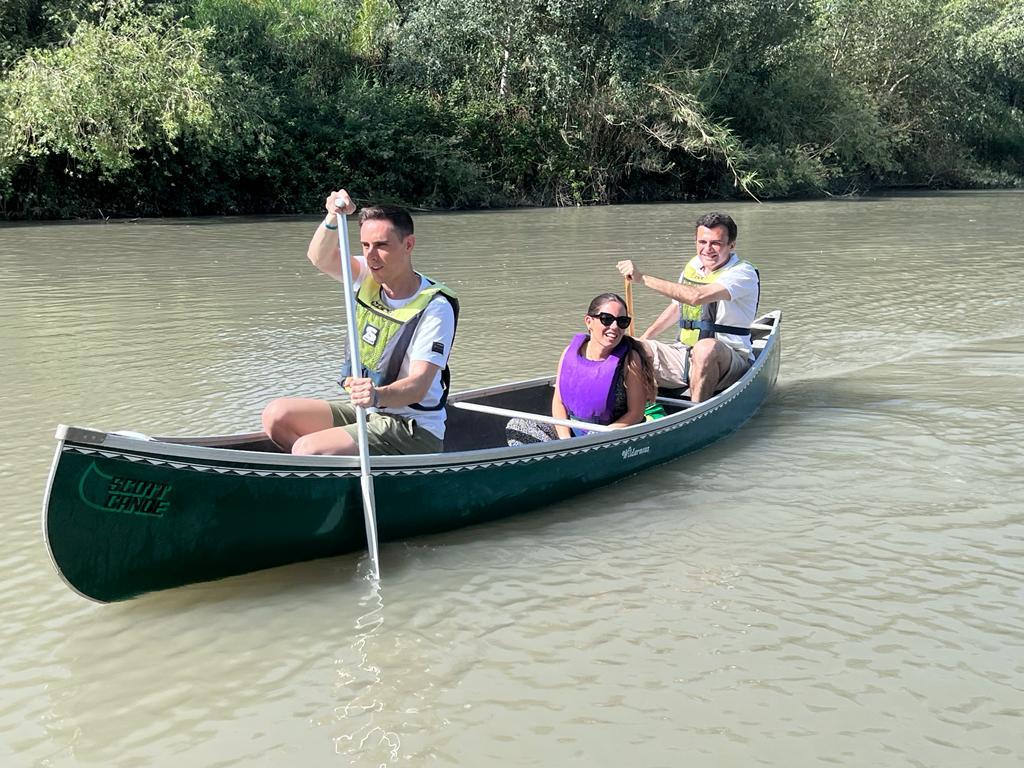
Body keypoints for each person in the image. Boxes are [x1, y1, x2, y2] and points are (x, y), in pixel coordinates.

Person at [262, 189, 458, 455]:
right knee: (277, 415)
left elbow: (418, 387)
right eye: (365, 246)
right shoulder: (367, 275)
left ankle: (324, 472)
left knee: (308, 449)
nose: (371, 255)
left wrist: (376, 396)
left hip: (411, 429)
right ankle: (335, 475)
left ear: (408, 245)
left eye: (381, 245)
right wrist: (333, 216)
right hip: (369, 413)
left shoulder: (435, 306)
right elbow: (319, 257)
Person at [616, 212, 759, 402]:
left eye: (716, 243)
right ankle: (635, 409)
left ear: (731, 245)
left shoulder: (742, 272)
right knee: (630, 348)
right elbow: (678, 307)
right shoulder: (693, 265)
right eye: (702, 242)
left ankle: (696, 413)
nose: (707, 249)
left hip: (731, 360)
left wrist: (642, 278)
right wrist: (642, 340)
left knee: (705, 348)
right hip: (684, 352)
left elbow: (695, 297)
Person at [506, 293, 662, 445]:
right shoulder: (569, 352)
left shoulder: (630, 360)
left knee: (593, 438)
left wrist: (600, 436)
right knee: (517, 425)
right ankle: (556, 460)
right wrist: (565, 440)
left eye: (622, 321)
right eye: (606, 319)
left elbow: (635, 413)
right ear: (589, 321)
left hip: (609, 435)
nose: (614, 327)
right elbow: (559, 402)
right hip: (572, 433)